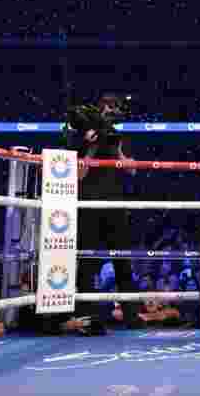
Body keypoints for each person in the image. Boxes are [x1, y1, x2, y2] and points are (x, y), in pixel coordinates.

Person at [67, 92, 137, 326]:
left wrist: (117, 152)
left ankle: (131, 314)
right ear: (99, 109)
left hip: (115, 205)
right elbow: (77, 175)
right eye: (107, 106)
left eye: (114, 106)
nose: (111, 110)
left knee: (122, 261)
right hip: (89, 205)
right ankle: (85, 313)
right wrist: (91, 149)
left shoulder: (118, 137)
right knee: (87, 261)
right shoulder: (83, 138)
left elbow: (132, 170)